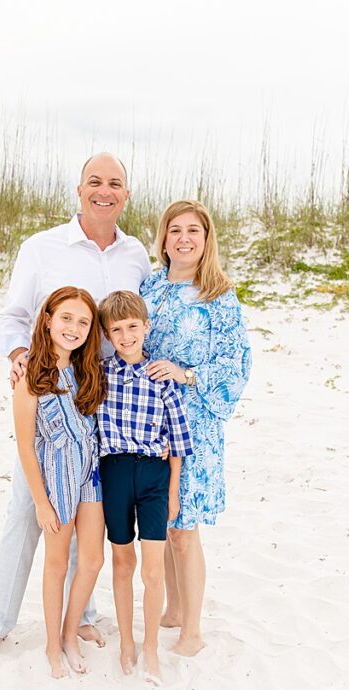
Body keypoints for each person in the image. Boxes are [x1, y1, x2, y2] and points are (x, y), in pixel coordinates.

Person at [0, 153, 150, 660]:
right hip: (49, 395)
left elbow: (139, 321)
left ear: (126, 195)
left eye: (115, 184)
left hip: (106, 399)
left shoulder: (136, 255)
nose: (104, 191)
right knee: (29, 508)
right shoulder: (42, 247)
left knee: (88, 508)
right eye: (95, 182)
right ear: (79, 189)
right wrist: (23, 358)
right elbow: (14, 316)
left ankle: (83, 614)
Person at [141, 200, 251, 656]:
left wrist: (186, 375)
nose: (183, 238)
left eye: (194, 231)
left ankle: (193, 632)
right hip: (149, 422)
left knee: (185, 526)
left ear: (206, 240)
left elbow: (236, 364)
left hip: (194, 422)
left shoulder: (218, 295)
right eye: (175, 230)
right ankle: (173, 611)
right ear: (164, 238)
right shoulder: (149, 286)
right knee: (162, 521)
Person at [96, 290, 196, 684]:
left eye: (132, 327)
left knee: (153, 571)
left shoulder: (160, 377)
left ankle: (151, 646)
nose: (125, 336)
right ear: (107, 333)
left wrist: (172, 491)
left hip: (154, 476)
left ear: (146, 327)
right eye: (116, 329)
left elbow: (179, 442)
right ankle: (126, 642)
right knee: (123, 563)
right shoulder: (101, 373)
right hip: (115, 473)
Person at [12, 286, 106, 678]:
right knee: (55, 562)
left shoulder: (86, 369)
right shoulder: (30, 376)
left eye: (83, 322)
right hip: (57, 474)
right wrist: (41, 501)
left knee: (92, 559)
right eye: (66, 318)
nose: (74, 328)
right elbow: (25, 447)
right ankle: (53, 645)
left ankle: (70, 633)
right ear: (48, 319)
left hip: (91, 471)